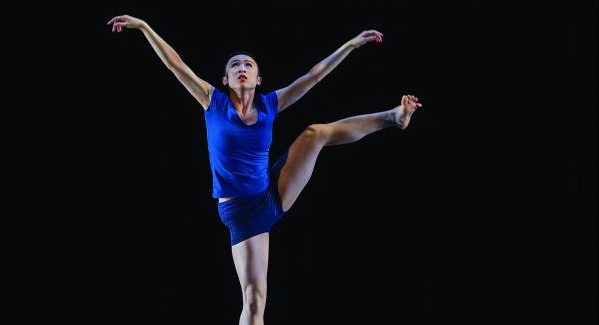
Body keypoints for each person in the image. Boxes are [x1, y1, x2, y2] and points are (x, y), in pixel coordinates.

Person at [108, 14, 422, 325]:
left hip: (272, 189)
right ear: (225, 80)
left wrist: (350, 45)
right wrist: (145, 27)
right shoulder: (213, 102)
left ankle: (392, 117)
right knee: (255, 300)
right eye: (234, 66)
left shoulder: (270, 104)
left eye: (248, 65)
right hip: (243, 211)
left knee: (315, 134)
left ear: (258, 79)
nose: (241, 69)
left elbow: (313, 76)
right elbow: (176, 65)